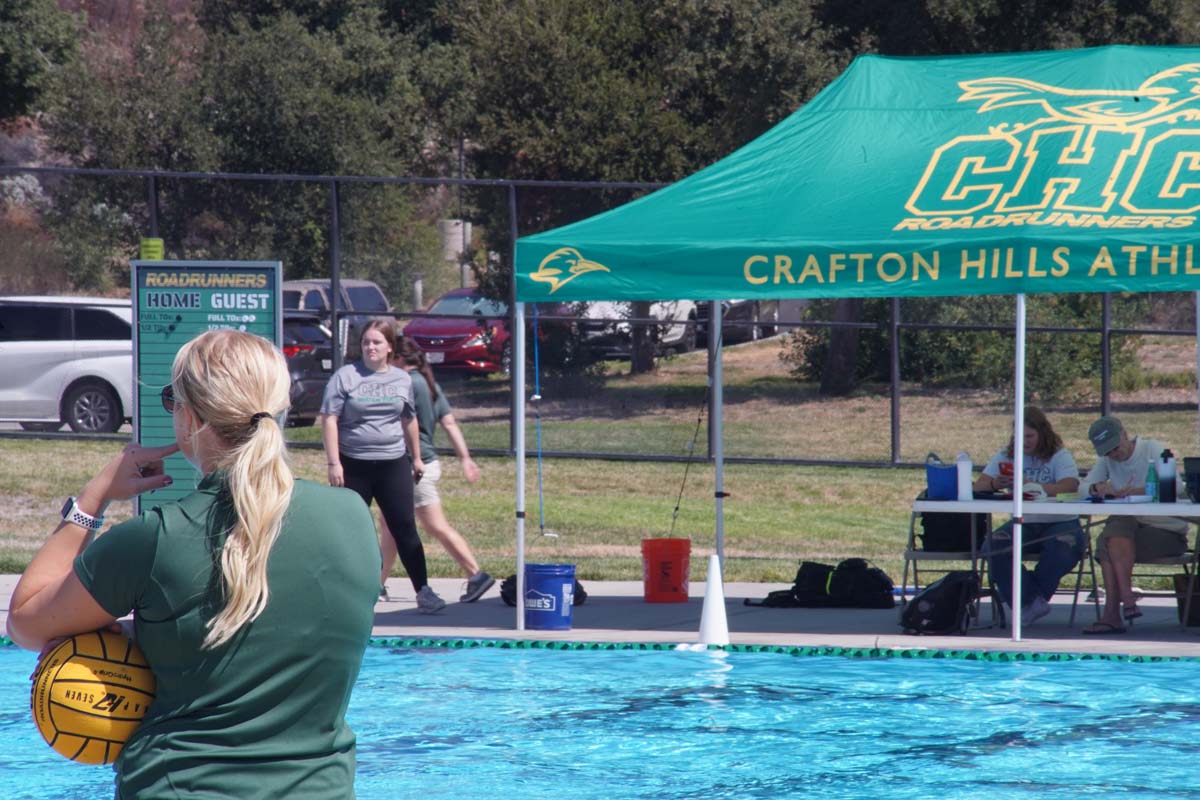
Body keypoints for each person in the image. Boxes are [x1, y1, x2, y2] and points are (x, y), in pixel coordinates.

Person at [7, 329, 381, 798]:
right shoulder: (352, 519)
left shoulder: (154, 540)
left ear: (191, 417)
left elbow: (24, 624)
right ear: (281, 407)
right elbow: (277, 628)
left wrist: (93, 498)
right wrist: (155, 633)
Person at [321, 320, 446, 612]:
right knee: (350, 530)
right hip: (354, 465)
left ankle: (424, 591)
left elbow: (409, 419)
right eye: (366, 342)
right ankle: (350, 590)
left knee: (404, 527)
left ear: (390, 347)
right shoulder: (345, 377)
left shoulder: (402, 380)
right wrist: (333, 462)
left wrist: (416, 457)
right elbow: (329, 419)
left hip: (392, 464)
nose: (371, 347)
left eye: (377, 342)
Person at [378, 335, 495, 603]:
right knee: (389, 525)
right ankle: (378, 583)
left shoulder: (407, 382)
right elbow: (450, 423)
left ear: (397, 358)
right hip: (424, 464)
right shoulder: (429, 383)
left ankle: (476, 574)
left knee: (435, 526)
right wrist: (464, 458)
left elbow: (407, 421)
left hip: (415, 467)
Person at [973, 406, 1086, 628]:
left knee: (1062, 550)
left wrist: (1035, 487)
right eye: (1019, 436)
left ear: (1042, 433)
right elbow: (979, 485)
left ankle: (1028, 602)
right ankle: (1031, 602)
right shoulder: (1006, 455)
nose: (1024, 442)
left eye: (1030, 436)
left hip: (1061, 520)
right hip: (1024, 520)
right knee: (993, 546)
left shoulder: (1058, 454)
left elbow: (1070, 485)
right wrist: (997, 483)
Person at [1079, 414, 1188, 634]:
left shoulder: (1152, 449)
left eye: (1115, 448)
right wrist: (1097, 489)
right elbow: (1082, 487)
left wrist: (1142, 492)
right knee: (1117, 527)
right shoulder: (1108, 460)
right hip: (1128, 530)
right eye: (1107, 451)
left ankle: (1113, 613)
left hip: (1164, 530)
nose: (1113, 455)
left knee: (1107, 542)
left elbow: (1177, 488)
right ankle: (1126, 600)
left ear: (1124, 434)